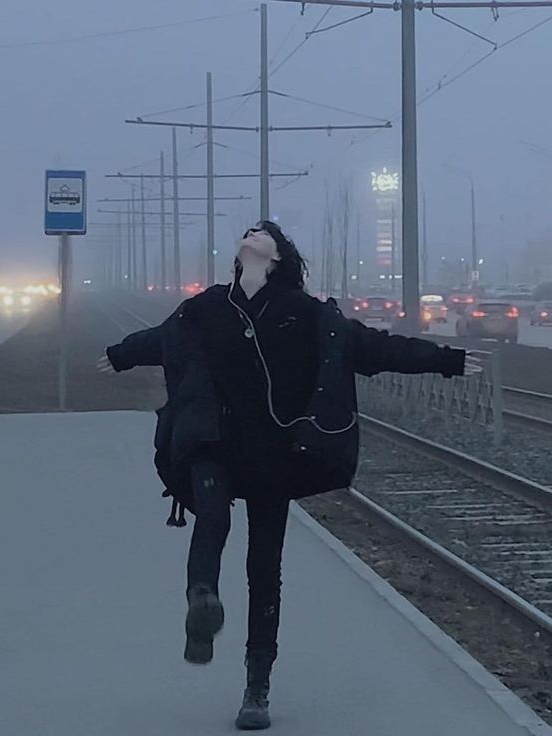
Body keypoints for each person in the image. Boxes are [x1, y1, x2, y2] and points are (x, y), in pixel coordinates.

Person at [98, 220, 466, 730]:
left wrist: (448, 360)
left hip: (274, 455)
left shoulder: (304, 313)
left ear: (275, 258)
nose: (250, 234)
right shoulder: (207, 307)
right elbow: (164, 339)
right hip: (214, 445)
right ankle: (201, 604)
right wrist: (120, 354)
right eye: (247, 232)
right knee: (211, 520)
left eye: (261, 233)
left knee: (263, 569)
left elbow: (374, 348)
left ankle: (256, 688)